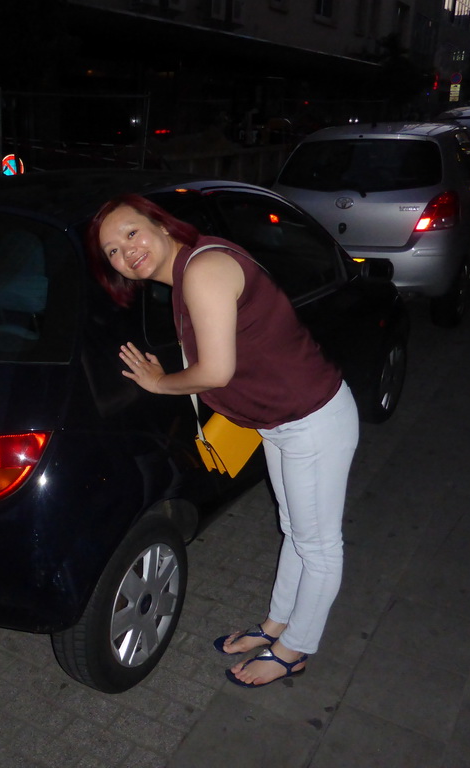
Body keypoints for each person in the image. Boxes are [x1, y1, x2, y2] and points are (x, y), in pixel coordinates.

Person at [85, 193, 359, 688]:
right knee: (294, 530)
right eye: (112, 251)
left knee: (318, 545)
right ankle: (278, 625)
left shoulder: (204, 269)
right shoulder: (189, 270)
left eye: (130, 233)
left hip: (312, 419)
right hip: (281, 422)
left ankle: (295, 649)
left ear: (160, 224)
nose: (126, 252)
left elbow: (215, 370)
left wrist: (158, 381)